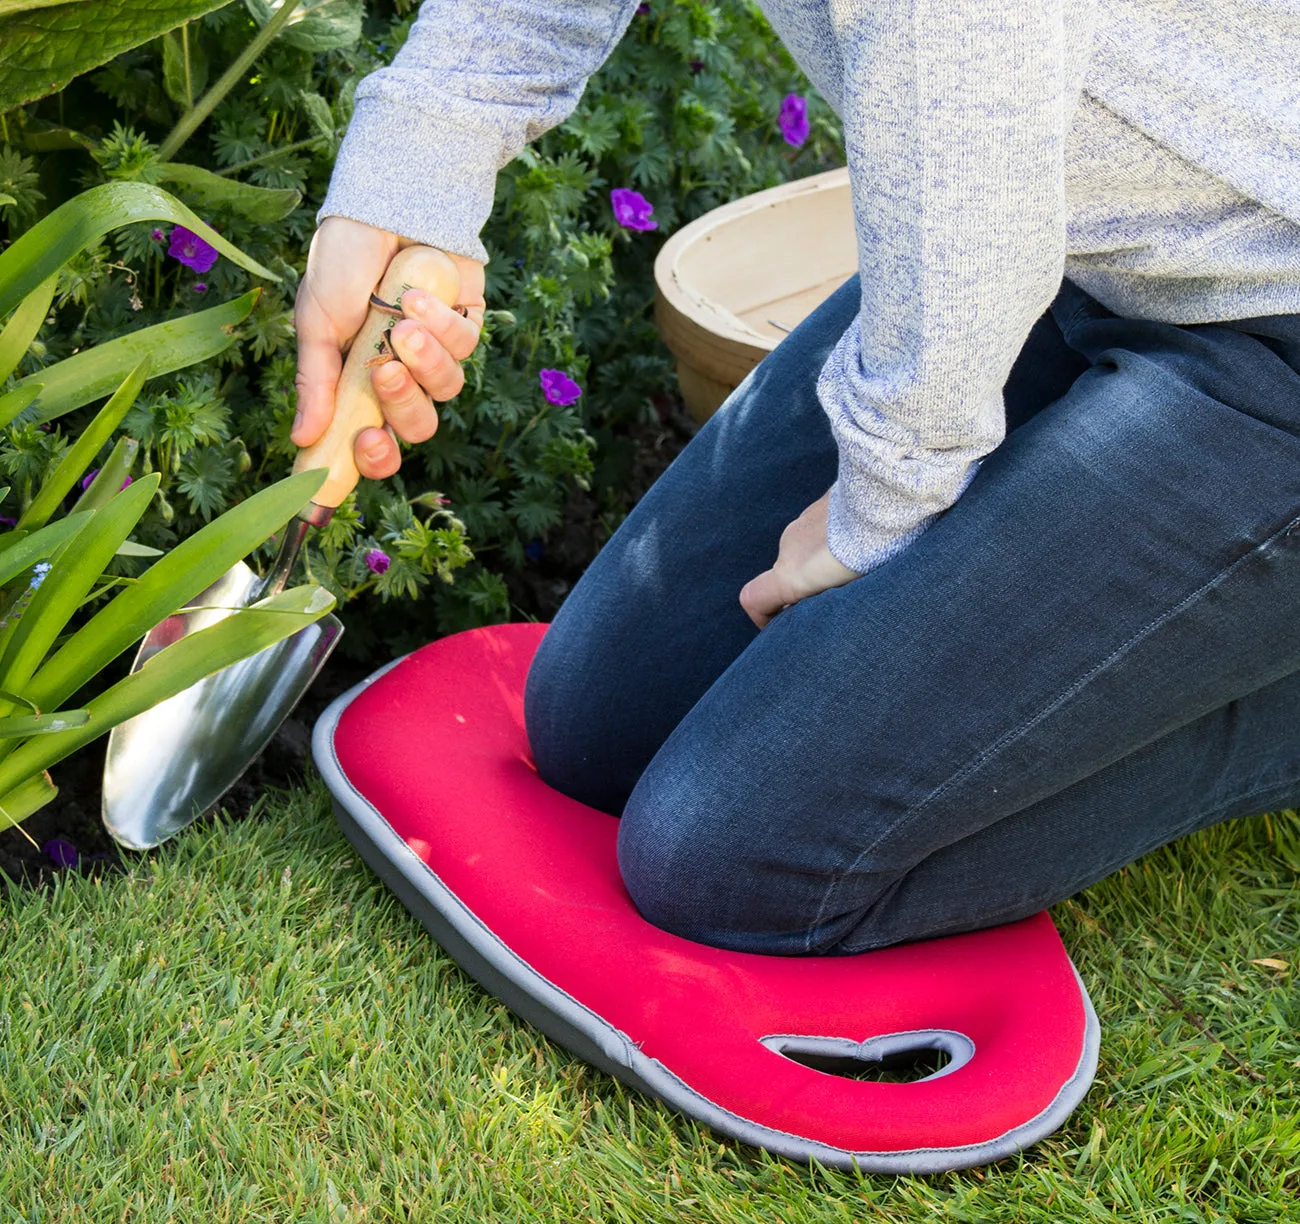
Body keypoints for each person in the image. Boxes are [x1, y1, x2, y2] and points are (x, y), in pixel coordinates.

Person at [294, 1, 1300, 956]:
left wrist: (887, 486)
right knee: (596, 722)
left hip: (1263, 308)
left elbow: (963, 84)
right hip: (1065, 248)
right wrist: (413, 175)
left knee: (731, 856)